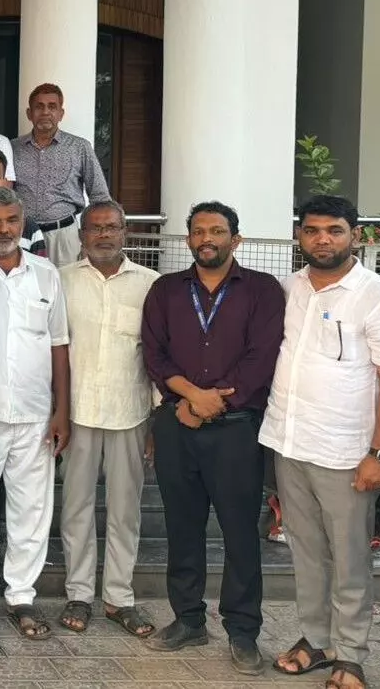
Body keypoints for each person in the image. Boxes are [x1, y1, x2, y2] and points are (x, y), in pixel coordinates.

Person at [262, 196, 380, 689]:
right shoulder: (290, 288)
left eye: (334, 230)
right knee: (305, 552)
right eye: (312, 230)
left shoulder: (378, 297)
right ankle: (316, 639)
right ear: (299, 236)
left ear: (356, 236)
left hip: (347, 453)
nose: (322, 239)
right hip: (289, 442)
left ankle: (350, 653)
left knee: (349, 559)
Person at [141, 201, 283, 675]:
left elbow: (262, 356)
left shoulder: (262, 290)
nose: (207, 238)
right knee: (183, 527)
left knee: (240, 532)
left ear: (235, 239)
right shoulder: (165, 290)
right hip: (178, 423)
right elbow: (155, 354)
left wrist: (212, 403)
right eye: (199, 231)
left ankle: (243, 631)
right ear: (188, 240)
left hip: (237, 429)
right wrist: (189, 396)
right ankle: (188, 620)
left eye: (217, 231)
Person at [0, 187, 71, 641]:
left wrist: (62, 411)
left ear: (23, 224)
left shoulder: (46, 274)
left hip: (35, 414)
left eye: (11, 220)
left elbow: (59, 344)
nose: (3, 229)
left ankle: (22, 594)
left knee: (32, 508)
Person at [55, 201, 159, 639]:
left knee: (125, 510)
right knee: (75, 507)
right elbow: (54, 350)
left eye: (111, 227)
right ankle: (79, 593)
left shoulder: (150, 285)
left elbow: (156, 354)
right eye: (95, 228)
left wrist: (155, 421)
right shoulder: (61, 281)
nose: (103, 235)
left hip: (129, 412)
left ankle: (119, 597)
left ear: (125, 232)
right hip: (77, 414)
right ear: (81, 235)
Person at [11, 84, 111, 267]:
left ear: (61, 113)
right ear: (29, 113)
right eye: (39, 106)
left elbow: (99, 196)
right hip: (22, 234)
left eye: (52, 106)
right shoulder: (13, 148)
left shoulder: (79, 147)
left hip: (64, 236)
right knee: (23, 282)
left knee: (66, 283)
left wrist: (92, 237)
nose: (45, 112)